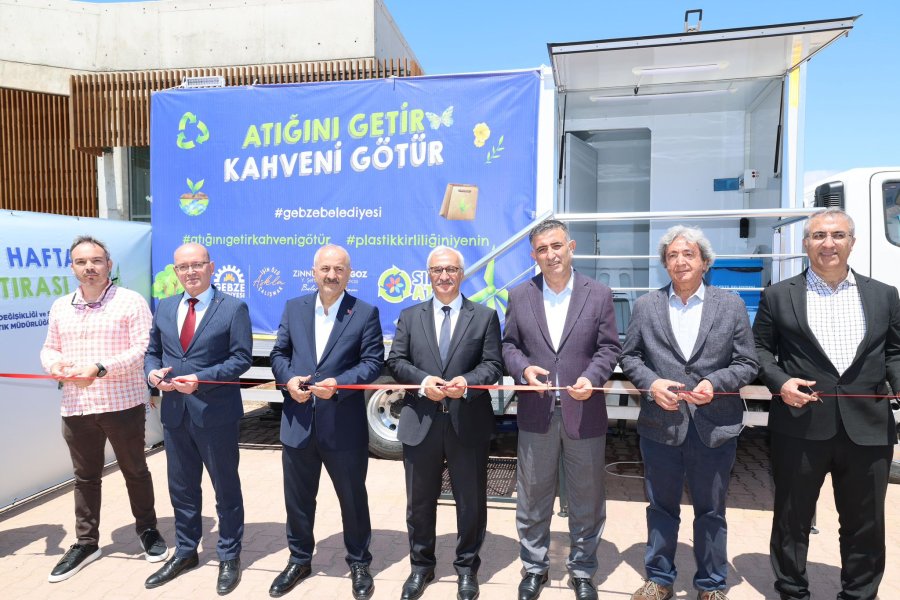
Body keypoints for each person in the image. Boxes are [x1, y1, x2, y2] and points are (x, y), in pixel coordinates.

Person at [753, 207, 900, 600]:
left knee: (866, 523)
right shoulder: (778, 296)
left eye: (837, 235)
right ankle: (792, 591)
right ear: (806, 244)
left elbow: (895, 352)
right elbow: (759, 351)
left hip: (868, 427)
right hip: (800, 424)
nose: (828, 243)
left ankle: (859, 593)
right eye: (818, 235)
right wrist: (781, 383)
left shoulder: (884, 294)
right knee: (792, 518)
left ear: (852, 242)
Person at [620, 226, 758, 600]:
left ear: (705, 262)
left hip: (714, 427)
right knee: (660, 507)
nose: (680, 261)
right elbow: (629, 357)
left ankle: (711, 585)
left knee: (711, 511)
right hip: (660, 426)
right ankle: (659, 579)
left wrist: (716, 382)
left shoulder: (730, 305)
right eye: (672, 255)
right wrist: (652, 385)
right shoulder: (646, 305)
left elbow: (747, 362)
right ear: (665, 264)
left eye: (688, 254)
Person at [502, 219, 621, 600]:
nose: (550, 255)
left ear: (571, 247)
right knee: (532, 497)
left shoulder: (598, 294)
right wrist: (523, 369)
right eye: (542, 249)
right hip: (536, 413)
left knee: (587, 498)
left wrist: (592, 376)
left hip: (584, 413)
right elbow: (508, 346)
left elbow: (609, 347)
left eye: (556, 246)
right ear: (533, 256)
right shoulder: (519, 295)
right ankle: (534, 568)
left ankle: (582, 571)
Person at [40, 235, 168, 582]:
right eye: (81, 262)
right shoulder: (60, 306)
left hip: (121, 404)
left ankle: (148, 530)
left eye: (96, 261)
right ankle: (86, 543)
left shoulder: (130, 302)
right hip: (76, 406)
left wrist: (99, 368)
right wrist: (54, 365)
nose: (89, 268)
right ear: (72, 268)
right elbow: (50, 347)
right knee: (85, 478)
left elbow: (142, 349)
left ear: (109, 264)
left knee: (135, 470)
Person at [268, 245, 384, 599]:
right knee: (298, 501)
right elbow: (279, 354)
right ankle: (299, 559)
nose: (332, 275)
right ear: (314, 271)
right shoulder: (294, 308)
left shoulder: (364, 312)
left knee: (352, 499)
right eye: (325, 269)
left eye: (339, 269)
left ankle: (359, 562)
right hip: (298, 423)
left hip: (343, 426)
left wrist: (340, 385)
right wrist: (288, 380)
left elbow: (372, 363)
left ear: (349, 274)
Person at [386, 246, 502, 600]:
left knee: (471, 502)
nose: (444, 276)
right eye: (437, 270)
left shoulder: (484, 316)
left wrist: (466, 383)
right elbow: (396, 361)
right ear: (429, 275)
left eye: (451, 269)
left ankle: (467, 568)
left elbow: (493, 365)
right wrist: (423, 382)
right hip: (421, 422)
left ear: (461, 274)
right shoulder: (410, 316)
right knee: (419, 502)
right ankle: (421, 566)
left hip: (467, 422)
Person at [143, 242, 252, 595]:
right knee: (182, 488)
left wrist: (201, 380)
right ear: (175, 271)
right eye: (183, 267)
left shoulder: (233, 308)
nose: (190, 272)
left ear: (211, 267)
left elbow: (241, 359)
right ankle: (186, 551)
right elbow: (152, 352)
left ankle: (229, 555)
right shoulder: (165, 306)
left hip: (215, 414)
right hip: (175, 415)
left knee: (225, 487)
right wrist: (152, 374)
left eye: (197, 265)